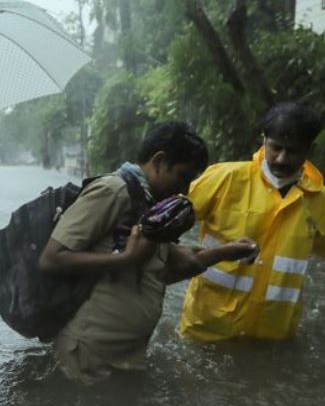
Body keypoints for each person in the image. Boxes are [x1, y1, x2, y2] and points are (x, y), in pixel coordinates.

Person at [38, 122, 258, 383]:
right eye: (183, 177)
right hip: (89, 353)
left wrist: (226, 252)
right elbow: (52, 258)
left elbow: (173, 265)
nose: (185, 190)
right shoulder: (113, 191)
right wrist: (126, 259)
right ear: (159, 160)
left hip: (126, 356)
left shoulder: (150, 208)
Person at [179, 102, 325, 342]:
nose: (281, 158)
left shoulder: (320, 202)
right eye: (275, 148)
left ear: (309, 149)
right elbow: (165, 223)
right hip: (206, 330)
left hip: (271, 339)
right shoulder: (225, 179)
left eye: (292, 151)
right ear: (264, 139)